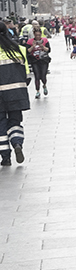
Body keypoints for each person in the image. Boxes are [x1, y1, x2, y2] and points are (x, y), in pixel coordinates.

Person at [0, 25, 29, 165]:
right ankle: (17, 143)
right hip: (16, 92)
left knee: (0, 123)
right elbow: (28, 75)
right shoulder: (19, 49)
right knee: (15, 121)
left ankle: (5, 157)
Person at [25, 24, 50, 99]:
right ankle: (38, 91)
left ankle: (44, 85)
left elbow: (48, 50)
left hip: (43, 60)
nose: (38, 37)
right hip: (35, 60)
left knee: (43, 75)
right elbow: (27, 51)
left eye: (39, 35)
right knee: (37, 75)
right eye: (36, 35)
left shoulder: (44, 40)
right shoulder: (30, 41)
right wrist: (32, 46)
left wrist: (42, 46)